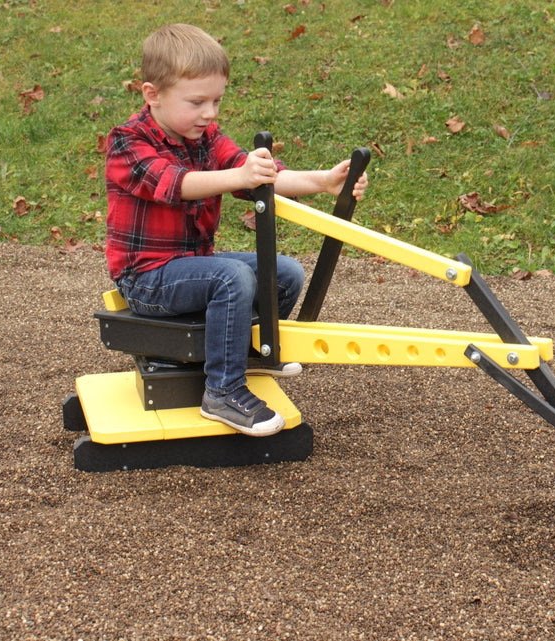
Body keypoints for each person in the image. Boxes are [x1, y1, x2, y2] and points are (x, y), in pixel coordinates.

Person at [104, 23, 368, 437]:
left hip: (190, 265)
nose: (209, 113)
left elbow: (259, 175)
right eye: (197, 102)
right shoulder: (127, 142)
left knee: (284, 272)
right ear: (152, 94)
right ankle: (223, 392)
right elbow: (174, 184)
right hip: (146, 277)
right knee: (231, 277)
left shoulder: (206, 139)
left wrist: (323, 181)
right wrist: (239, 176)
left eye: (216, 101)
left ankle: (247, 354)